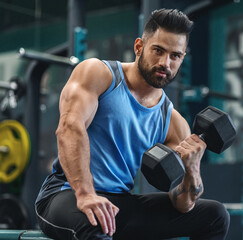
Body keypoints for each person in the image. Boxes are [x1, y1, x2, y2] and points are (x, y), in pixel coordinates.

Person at [35, 9, 229, 240]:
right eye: (158, 50)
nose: (165, 62)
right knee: (97, 224)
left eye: (175, 55)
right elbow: (69, 128)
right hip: (67, 194)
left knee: (215, 215)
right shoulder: (99, 74)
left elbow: (183, 204)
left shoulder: (173, 122)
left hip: (119, 204)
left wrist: (192, 169)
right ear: (139, 47)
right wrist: (86, 194)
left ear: (182, 59)